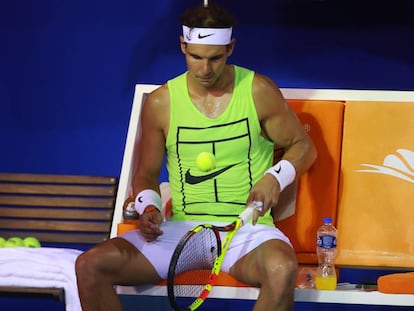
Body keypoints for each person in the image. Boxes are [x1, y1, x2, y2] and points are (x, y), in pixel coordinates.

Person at [75, 2, 317, 310]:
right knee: (89, 265)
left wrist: (275, 177)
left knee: (282, 269)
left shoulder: (258, 91)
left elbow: (304, 147)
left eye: (215, 58)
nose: (205, 70)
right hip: (179, 232)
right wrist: (149, 206)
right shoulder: (161, 103)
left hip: (247, 232)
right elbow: (146, 175)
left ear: (230, 47)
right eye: (196, 57)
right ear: (182, 46)